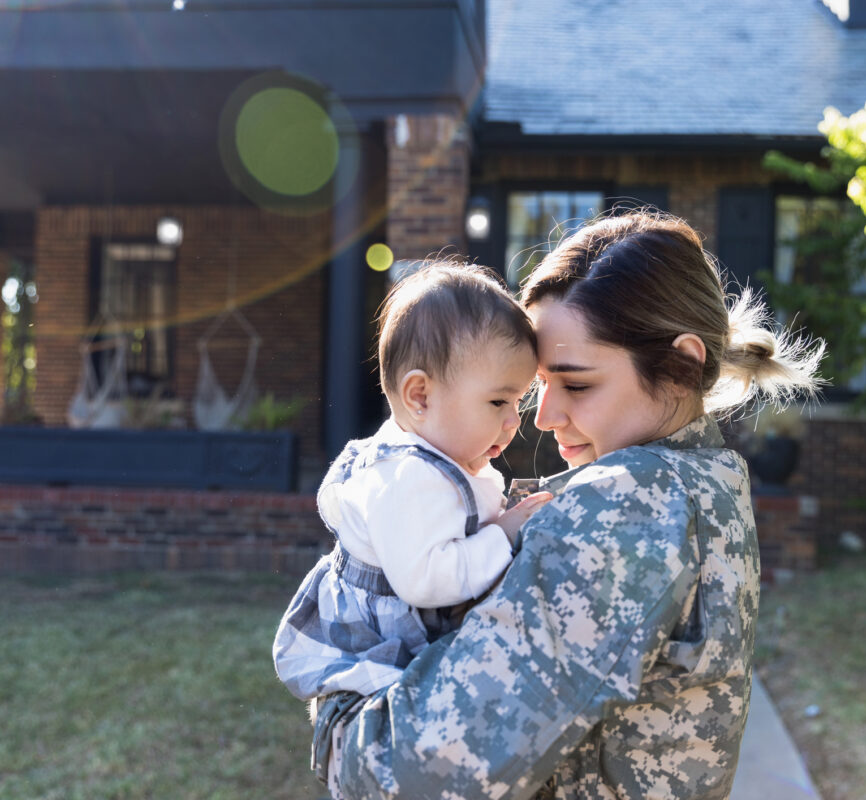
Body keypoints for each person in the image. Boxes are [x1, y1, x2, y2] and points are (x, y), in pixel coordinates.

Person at [331, 210, 824, 800]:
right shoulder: (707, 478)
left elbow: (413, 777)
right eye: (539, 385)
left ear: (682, 367)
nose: (543, 417)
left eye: (578, 384)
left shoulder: (628, 506)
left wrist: (337, 714)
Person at [271, 262, 551, 795]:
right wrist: (506, 531)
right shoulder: (409, 477)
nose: (515, 420)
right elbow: (427, 580)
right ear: (419, 397)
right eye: (498, 401)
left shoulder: (435, 453)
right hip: (378, 645)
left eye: (518, 402)